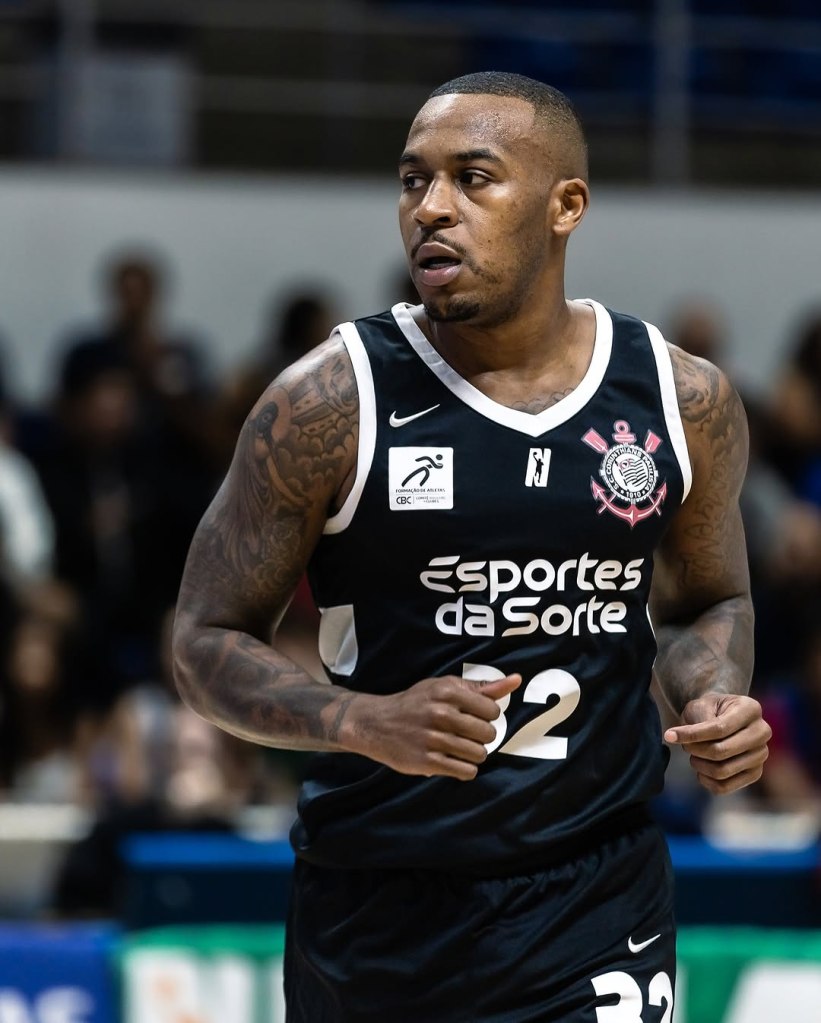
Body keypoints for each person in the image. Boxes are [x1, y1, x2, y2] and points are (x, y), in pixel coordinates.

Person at [172, 72, 771, 1022]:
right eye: (413, 180)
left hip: (595, 896)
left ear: (565, 205)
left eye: (472, 178)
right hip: (377, 906)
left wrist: (714, 695)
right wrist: (359, 720)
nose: (430, 209)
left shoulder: (680, 400)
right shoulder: (328, 402)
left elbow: (711, 602)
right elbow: (203, 641)